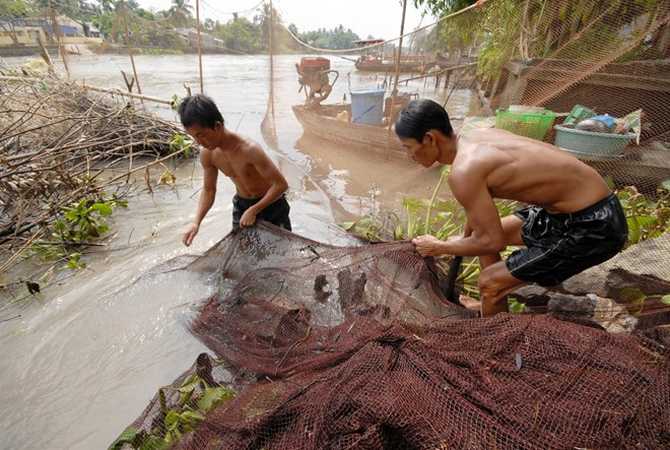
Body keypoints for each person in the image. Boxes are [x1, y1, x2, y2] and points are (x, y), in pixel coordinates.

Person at [395, 99, 628, 316]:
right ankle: (493, 302)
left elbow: (491, 242)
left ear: (429, 139)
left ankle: (493, 307)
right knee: (482, 243)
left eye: (408, 147)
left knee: (488, 278)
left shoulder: (464, 170)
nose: (408, 155)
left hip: (595, 226)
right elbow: (483, 228)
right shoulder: (475, 135)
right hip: (567, 211)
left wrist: (440, 246)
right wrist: (468, 237)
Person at [178, 94, 291, 246]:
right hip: (242, 206)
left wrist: (255, 210)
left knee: (280, 254)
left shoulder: (250, 150)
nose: (199, 142)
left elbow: (280, 185)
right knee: (243, 256)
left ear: (217, 126)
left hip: (272, 206)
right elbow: (209, 189)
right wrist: (196, 222)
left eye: (202, 135)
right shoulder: (208, 154)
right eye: (194, 137)